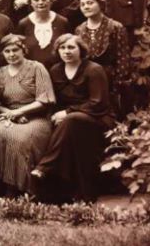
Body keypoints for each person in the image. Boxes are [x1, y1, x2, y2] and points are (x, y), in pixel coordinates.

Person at [31, 34, 115, 202]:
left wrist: (67, 112)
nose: (66, 51)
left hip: (97, 117)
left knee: (72, 120)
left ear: (81, 49)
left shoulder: (94, 69)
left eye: (71, 47)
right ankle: (57, 194)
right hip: (68, 122)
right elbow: (54, 100)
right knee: (65, 128)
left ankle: (44, 166)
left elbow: (98, 103)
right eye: (62, 48)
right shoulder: (56, 70)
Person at [0, 34, 55, 195]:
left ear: (23, 50)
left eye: (15, 50)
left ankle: (28, 189)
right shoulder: (1, 73)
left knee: (21, 139)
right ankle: (8, 187)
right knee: (0, 133)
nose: (11, 54)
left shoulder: (36, 68)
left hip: (36, 117)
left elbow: (44, 100)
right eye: (7, 51)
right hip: (9, 115)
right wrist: (11, 114)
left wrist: (20, 112)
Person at [75, 0, 132, 118]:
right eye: (83, 4)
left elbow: (123, 57)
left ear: (100, 4)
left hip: (110, 79)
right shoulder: (79, 30)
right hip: (88, 80)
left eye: (90, 3)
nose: (86, 7)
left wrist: (118, 83)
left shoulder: (115, 27)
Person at [15, 0, 71, 68]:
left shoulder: (62, 22)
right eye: (36, 0)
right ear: (30, 2)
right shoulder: (23, 24)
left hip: (59, 71)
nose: (40, 2)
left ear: (51, 0)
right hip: (32, 71)